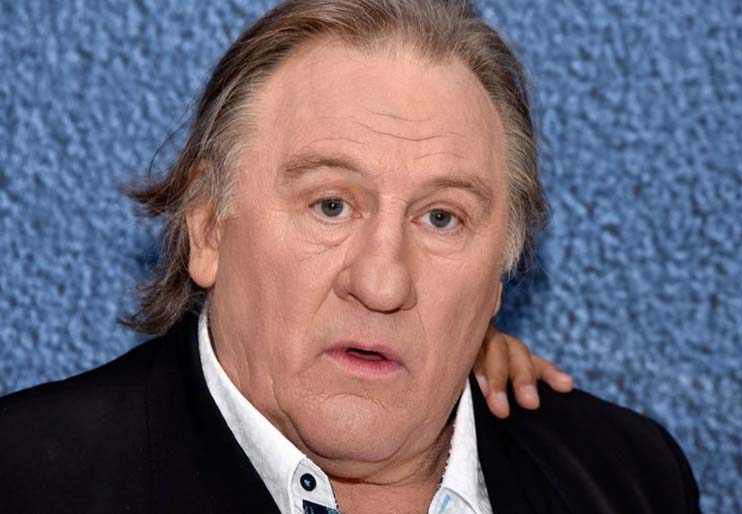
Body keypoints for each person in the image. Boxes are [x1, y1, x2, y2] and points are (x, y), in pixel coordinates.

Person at [0, 1, 700, 513]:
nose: (382, 283)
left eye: (441, 218)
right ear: (208, 228)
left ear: (499, 275)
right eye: (331, 205)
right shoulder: (28, 480)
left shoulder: (628, 479)